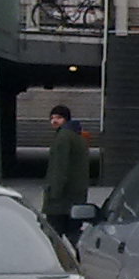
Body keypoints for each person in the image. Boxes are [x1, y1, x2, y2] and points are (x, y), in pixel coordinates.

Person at [42, 104, 93, 242]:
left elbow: (59, 167)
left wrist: (54, 195)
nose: (54, 121)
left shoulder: (63, 137)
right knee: (73, 233)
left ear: (66, 119)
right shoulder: (77, 136)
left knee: (52, 237)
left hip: (60, 200)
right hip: (76, 196)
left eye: (58, 117)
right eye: (52, 118)